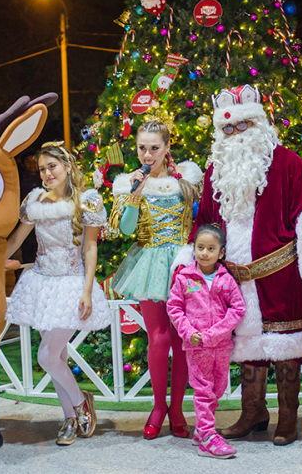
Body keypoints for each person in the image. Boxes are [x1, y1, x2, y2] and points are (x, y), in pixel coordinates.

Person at [177, 84, 302, 447]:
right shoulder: (217, 170)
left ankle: (288, 417)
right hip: (235, 278)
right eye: (227, 130)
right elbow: (208, 221)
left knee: (285, 347)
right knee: (247, 347)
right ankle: (253, 413)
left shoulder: (287, 162)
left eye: (242, 127)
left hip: (282, 276)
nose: (235, 135)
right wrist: (195, 258)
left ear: (258, 124)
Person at [4, 142, 110, 446]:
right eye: (42, 168)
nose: (47, 173)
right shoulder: (35, 201)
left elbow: (90, 247)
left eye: (52, 166)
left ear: (67, 166)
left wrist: (88, 290)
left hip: (71, 283)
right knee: (57, 356)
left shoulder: (87, 201)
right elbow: (15, 240)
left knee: (47, 355)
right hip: (41, 283)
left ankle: (80, 402)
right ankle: (69, 418)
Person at [109, 120, 202, 439]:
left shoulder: (186, 181)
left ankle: (177, 409)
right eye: (141, 148)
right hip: (148, 263)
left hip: (181, 265)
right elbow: (125, 229)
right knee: (159, 338)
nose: (147, 154)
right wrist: (134, 193)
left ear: (166, 148)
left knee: (181, 340)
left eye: (154, 148)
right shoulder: (130, 184)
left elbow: (201, 218)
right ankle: (158, 407)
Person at [167, 224, 245, 459]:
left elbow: (238, 308)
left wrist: (216, 333)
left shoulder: (226, 279)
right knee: (203, 391)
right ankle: (208, 438)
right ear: (194, 249)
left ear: (221, 252)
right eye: (200, 247)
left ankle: (201, 430)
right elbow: (174, 308)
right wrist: (189, 332)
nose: (204, 253)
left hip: (220, 345)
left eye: (211, 248)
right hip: (197, 346)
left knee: (218, 388)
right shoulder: (184, 278)